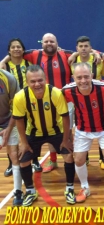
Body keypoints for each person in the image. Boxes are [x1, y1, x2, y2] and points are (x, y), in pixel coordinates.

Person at [0, 33, 74, 173]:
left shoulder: (65, 54)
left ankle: (80, 158)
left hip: (62, 99)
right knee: (41, 131)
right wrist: (4, 60)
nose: (49, 43)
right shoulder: (34, 54)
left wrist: (99, 53)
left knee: (66, 132)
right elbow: (17, 53)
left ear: (57, 43)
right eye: (46, 41)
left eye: (52, 41)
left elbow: (85, 50)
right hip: (35, 100)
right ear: (42, 44)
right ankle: (51, 160)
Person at [12, 65, 74, 206]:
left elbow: (65, 117)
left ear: (45, 79)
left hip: (56, 131)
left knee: (69, 155)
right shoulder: (20, 96)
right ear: (27, 82)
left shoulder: (55, 93)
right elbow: (19, 120)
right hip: (33, 132)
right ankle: (30, 191)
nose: (37, 84)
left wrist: (66, 140)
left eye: (40, 80)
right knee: (23, 160)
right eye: (33, 81)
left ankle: (70, 188)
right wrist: (24, 143)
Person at [62, 62, 104, 205]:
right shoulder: (67, 91)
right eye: (79, 77)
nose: (83, 81)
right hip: (82, 130)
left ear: (92, 76)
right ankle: (84, 187)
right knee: (79, 160)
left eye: (86, 77)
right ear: (73, 77)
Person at [4, 38, 42, 177]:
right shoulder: (4, 66)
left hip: (29, 104)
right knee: (12, 137)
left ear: (23, 49)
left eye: (18, 47)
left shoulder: (29, 64)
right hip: (11, 106)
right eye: (13, 47)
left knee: (31, 132)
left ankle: (35, 160)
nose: (16, 49)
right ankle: (11, 163)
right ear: (9, 50)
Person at [71, 35, 104, 169]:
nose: (83, 48)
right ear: (77, 48)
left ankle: (102, 158)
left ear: (91, 48)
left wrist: (97, 53)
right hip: (80, 100)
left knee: (102, 128)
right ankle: (84, 158)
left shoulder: (99, 60)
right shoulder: (73, 61)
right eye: (81, 46)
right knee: (81, 127)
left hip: (98, 100)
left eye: (86, 46)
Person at [0, 69, 23, 206]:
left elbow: (17, 108)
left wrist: (8, 129)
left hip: (9, 121)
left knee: (14, 155)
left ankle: (18, 192)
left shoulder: (8, 78)